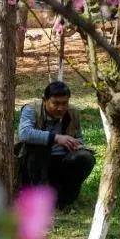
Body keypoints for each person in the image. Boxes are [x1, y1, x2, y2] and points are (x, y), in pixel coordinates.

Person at [14, 81, 95, 210]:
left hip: (61, 161)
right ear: (44, 100)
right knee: (39, 146)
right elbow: (25, 133)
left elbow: (78, 137)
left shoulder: (73, 112)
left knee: (85, 157)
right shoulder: (31, 109)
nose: (61, 108)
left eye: (64, 103)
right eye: (56, 103)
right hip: (33, 163)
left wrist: (77, 144)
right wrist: (55, 138)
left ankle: (64, 201)